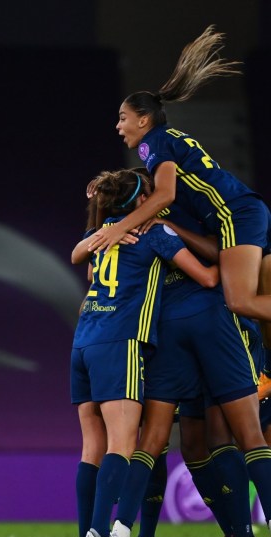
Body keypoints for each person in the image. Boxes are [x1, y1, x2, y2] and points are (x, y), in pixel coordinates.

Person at [86, 26, 271, 402]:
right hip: (244, 210)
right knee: (260, 297)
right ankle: (266, 373)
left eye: (123, 118)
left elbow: (165, 192)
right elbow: (168, 193)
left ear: (143, 119)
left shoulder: (153, 144)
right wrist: (157, 217)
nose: (118, 126)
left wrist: (118, 228)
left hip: (234, 214)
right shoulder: (169, 140)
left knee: (240, 301)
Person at [90, 205, 270, 537]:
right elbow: (216, 269)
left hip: (182, 328)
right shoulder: (167, 218)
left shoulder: (140, 226)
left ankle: (122, 532)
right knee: (200, 442)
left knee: (210, 436)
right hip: (189, 326)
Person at [70, 168, 219, 537]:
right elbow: (207, 278)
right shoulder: (155, 233)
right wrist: (236, 266)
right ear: (141, 201)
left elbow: (80, 260)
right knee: (123, 444)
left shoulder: (102, 233)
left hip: (83, 341)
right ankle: (101, 534)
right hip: (121, 341)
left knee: (92, 446)